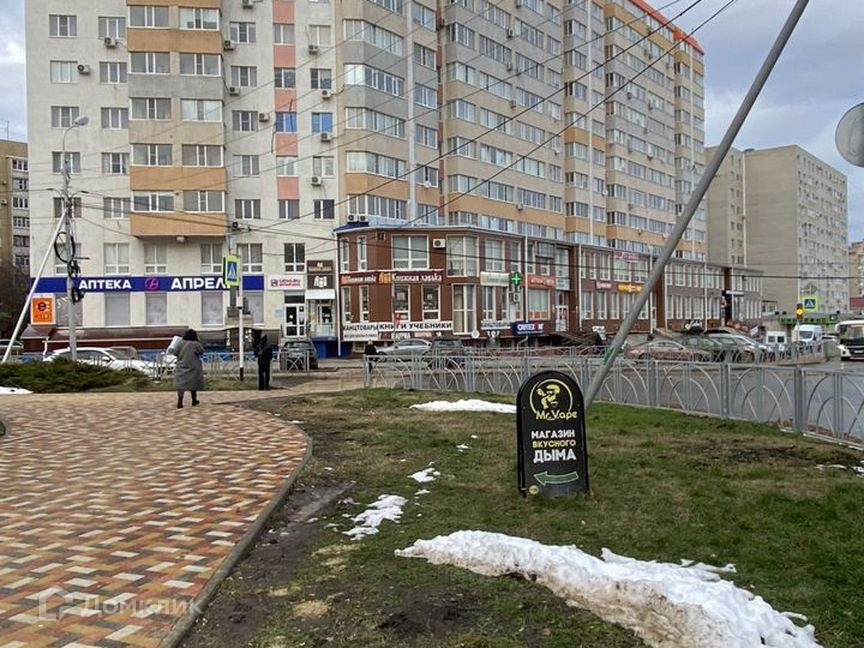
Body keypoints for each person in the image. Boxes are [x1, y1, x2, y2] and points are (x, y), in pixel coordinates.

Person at [174, 329, 204, 408]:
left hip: (182, 366)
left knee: (181, 385)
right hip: (193, 366)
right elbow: (201, 351)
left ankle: (180, 401)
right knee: (193, 383)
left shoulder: (180, 343)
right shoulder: (196, 344)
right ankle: (194, 400)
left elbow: (174, 352)